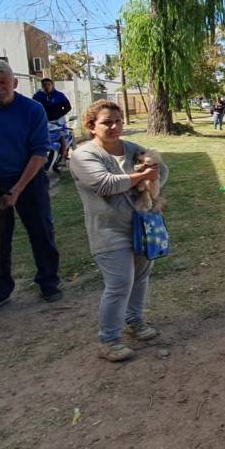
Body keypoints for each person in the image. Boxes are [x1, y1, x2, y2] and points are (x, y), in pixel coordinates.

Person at [70, 100, 169, 362]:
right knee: (119, 284)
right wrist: (141, 177)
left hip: (142, 225)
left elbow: (162, 170)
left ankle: (135, 322)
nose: (114, 127)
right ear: (92, 127)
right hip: (107, 231)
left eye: (118, 121)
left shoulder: (133, 149)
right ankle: (109, 340)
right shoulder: (83, 155)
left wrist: (153, 173)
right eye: (106, 122)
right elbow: (104, 184)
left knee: (140, 277)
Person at [0, 59, 62, 314]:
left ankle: (48, 282)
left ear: (14, 83)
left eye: (3, 82)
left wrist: (17, 189)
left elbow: (39, 152)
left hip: (28, 181)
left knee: (41, 230)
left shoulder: (32, 110)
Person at [33, 78, 73, 164]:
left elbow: (68, 106)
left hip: (58, 121)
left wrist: (59, 114)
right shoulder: (38, 96)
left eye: (48, 84)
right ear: (42, 86)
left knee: (61, 137)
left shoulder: (59, 95)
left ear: (52, 85)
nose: (47, 86)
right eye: (44, 85)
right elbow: (33, 109)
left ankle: (62, 158)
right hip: (44, 122)